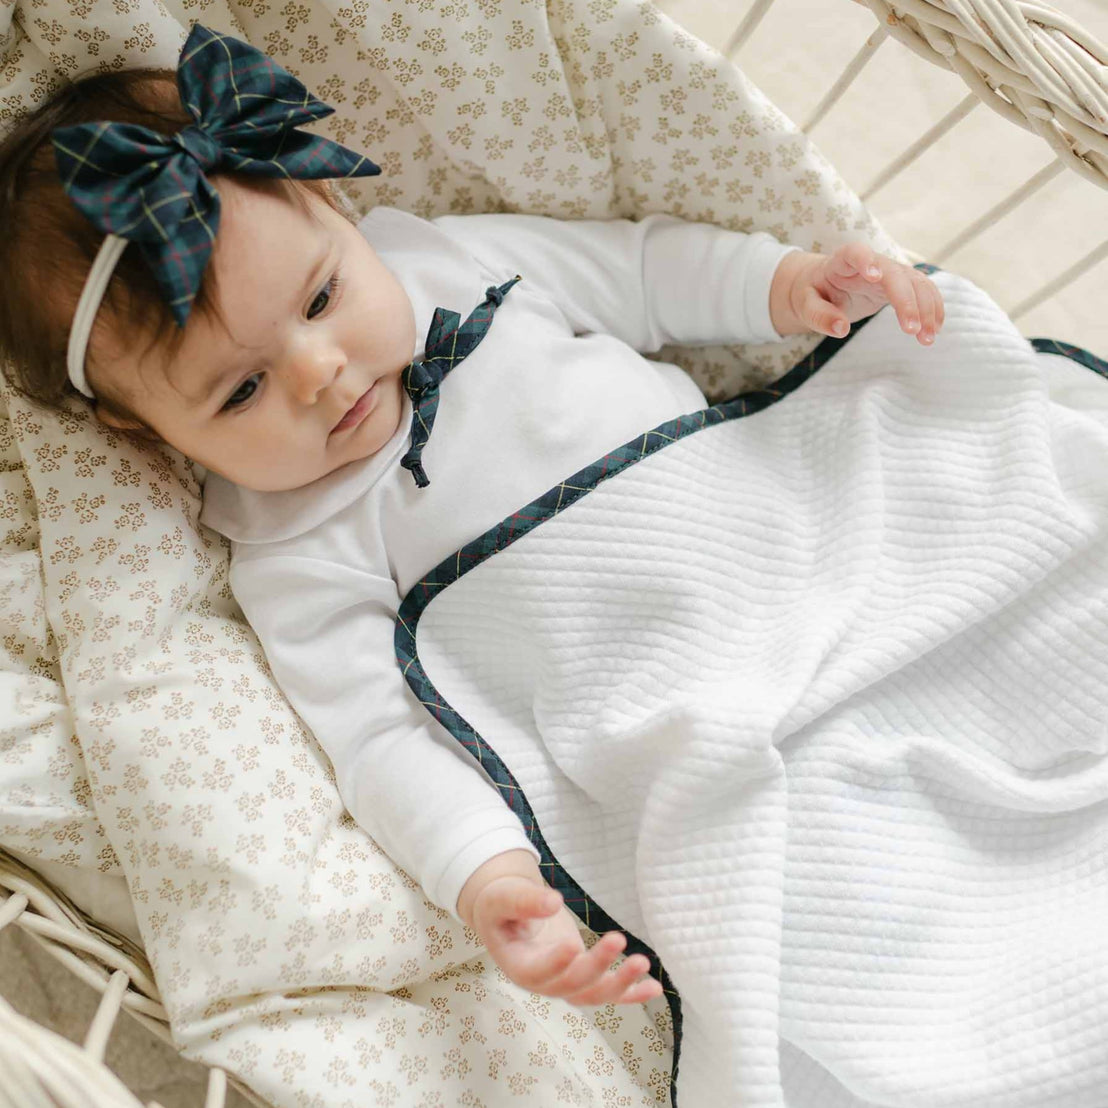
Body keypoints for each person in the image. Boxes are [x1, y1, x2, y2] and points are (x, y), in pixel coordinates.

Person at [0, 25, 944, 1012]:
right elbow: (379, 742)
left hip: (784, 531)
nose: (321, 371)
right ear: (145, 431)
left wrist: (782, 285)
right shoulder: (288, 550)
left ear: (333, 204)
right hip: (663, 699)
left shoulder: (445, 259)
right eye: (241, 391)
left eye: (322, 295)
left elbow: (638, 274)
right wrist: (484, 873)